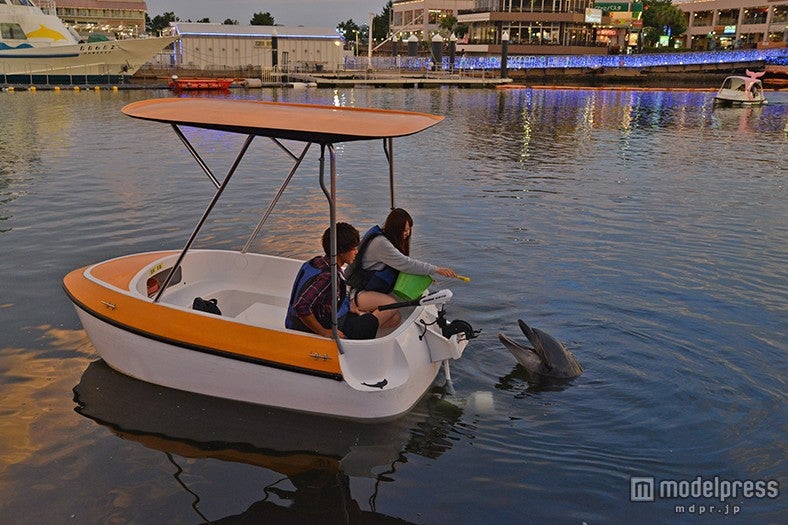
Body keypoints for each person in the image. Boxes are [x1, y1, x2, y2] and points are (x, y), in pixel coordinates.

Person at [285, 222, 396, 340]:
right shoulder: (328, 277)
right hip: (313, 327)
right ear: (342, 250)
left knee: (366, 316)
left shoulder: (318, 262)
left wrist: (349, 306)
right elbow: (301, 307)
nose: (356, 252)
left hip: (327, 316)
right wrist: (323, 332)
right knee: (370, 321)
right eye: (353, 248)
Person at [346, 208, 456, 321]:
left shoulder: (387, 239)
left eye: (409, 229)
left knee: (395, 320)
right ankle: (359, 325)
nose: (408, 234)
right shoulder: (381, 244)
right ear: (395, 229)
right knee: (391, 305)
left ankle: (367, 324)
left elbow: (402, 266)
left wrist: (423, 278)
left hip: (371, 290)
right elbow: (406, 264)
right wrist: (437, 270)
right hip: (358, 292)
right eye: (404, 230)